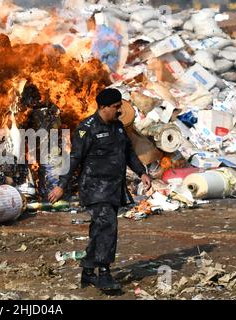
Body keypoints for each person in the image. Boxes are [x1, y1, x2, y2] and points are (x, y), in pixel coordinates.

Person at [48, 88, 151, 292]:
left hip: (114, 187)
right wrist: (61, 185)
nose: (119, 111)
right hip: (94, 187)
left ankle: (87, 271)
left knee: (99, 229)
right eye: (115, 107)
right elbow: (74, 159)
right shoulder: (87, 128)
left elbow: (129, 152)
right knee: (107, 227)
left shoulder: (119, 127)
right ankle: (103, 274)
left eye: (119, 107)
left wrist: (142, 172)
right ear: (103, 107)